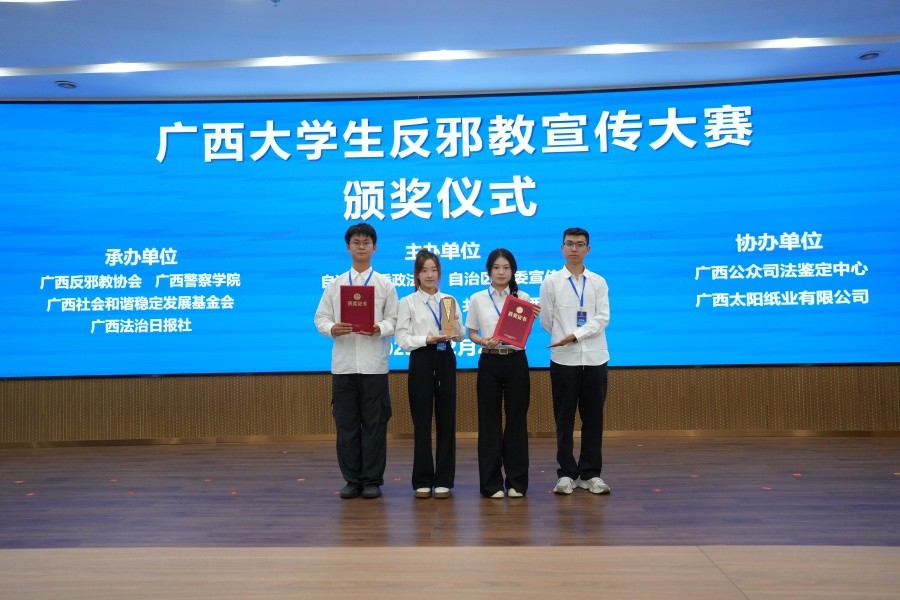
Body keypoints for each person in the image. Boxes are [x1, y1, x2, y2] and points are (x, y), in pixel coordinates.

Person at [314, 223, 399, 500]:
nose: (361, 247)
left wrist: (379, 328)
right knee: (346, 425)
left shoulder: (385, 284)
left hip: (374, 366)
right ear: (348, 247)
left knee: (375, 425)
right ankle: (352, 480)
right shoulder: (336, 285)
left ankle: (372, 480)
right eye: (356, 242)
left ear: (375, 247)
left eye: (366, 242)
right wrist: (332, 328)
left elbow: (395, 320)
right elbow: (320, 318)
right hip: (344, 366)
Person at [539, 227, 611, 495]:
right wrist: (564, 338)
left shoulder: (598, 282)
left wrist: (575, 335)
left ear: (588, 249)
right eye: (569, 244)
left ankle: (591, 474)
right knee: (564, 419)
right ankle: (567, 473)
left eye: (580, 244)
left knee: (593, 419)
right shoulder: (551, 282)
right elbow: (547, 321)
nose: (574, 249)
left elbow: (603, 318)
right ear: (562, 248)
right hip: (563, 360)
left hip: (595, 358)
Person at [466, 248, 540, 498]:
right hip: (489, 361)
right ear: (488, 271)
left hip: (516, 361)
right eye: (496, 267)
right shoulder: (477, 298)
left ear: (513, 271)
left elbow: (523, 333)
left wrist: (532, 317)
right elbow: (471, 332)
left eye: (506, 267)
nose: (501, 272)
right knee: (489, 422)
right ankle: (491, 484)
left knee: (517, 421)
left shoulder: (523, 298)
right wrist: (482, 341)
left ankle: (517, 482)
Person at [395, 249, 465, 499]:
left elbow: (461, 335)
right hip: (421, 358)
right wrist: (426, 339)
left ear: (439, 273)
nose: (429, 275)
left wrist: (455, 327)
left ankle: (444, 479)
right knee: (422, 421)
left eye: (434, 270)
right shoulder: (408, 302)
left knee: (446, 420)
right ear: (416, 274)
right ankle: (422, 480)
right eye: (424, 270)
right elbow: (402, 339)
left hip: (445, 357)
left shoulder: (448, 300)